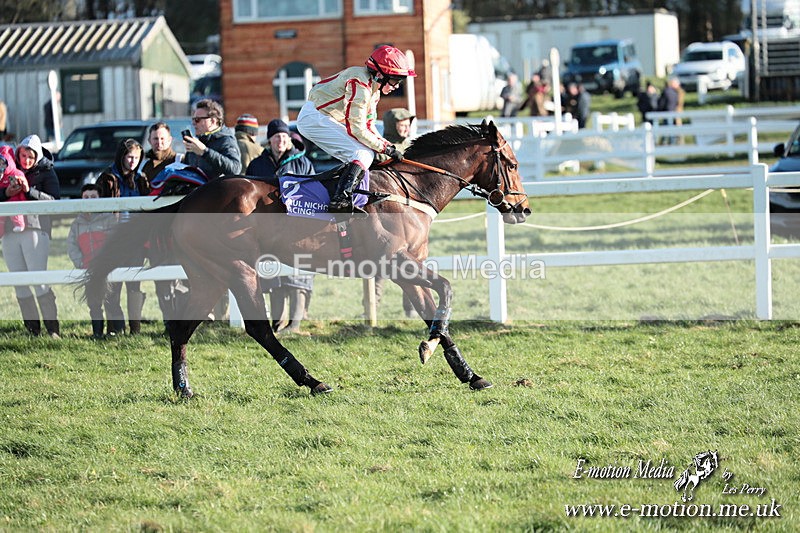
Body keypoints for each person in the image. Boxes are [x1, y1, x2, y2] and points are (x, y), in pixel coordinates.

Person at [296, 45, 414, 214]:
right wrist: (385, 148)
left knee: (366, 154)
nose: (396, 86)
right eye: (395, 80)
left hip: (323, 117)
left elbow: (369, 126)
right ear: (380, 75)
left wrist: (389, 147)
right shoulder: (360, 83)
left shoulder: (374, 91)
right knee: (362, 154)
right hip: (313, 118)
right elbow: (357, 129)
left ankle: (349, 197)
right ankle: (340, 201)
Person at [246, 118, 316, 334]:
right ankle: (278, 323)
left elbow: (313, 191)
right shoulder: (258, 164)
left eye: (284, 137)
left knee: (298, 273)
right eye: (276, 137)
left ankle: (295, 323)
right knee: (273, 275)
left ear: (289, 139)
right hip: (268, 228)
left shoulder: (302, 162)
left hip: (296, 226)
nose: (280, 141)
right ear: (270, 140)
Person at [1, 134, 61, 337]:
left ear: (37, 156)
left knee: (39, 280)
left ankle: (53, 330)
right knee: (19, 282)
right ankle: (33, 330)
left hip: (36, 230)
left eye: (30, 156)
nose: (25, 160)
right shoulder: (8, 169)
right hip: (9, 231)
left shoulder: (47, 172)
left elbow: (54, 202)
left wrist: (29, 191)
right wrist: (6, 194)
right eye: (23, 155)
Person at [96, 138, 149, 334]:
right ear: (121, 156)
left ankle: (135, 327)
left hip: (135, 238)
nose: (133, 161)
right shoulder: (107, 178)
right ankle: (115, 328)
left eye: (136, 157)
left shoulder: (141, 179)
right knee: (113, 284)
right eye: (129, 156)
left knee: (134, 283)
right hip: (113, 237)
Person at [140, 122, 190, 327]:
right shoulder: (143, 166)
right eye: (155, 139)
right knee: (160, 278)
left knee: (182, 274)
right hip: (154, 230)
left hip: (176, 229)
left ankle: (184, 318)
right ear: (150, 141)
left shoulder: (180, 161)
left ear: (170, 140)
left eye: (162, 138)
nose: (158, 142)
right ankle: (168, 319)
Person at [369, 108, 416, 317]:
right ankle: (372, 307)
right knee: (382, 261)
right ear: (391, 125)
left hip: (411, 214)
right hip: (386, 213)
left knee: (412, 260)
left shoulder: (414, 148)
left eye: (408, 124)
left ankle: (410, 308)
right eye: (402, 124)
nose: (406, 127)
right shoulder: (380, 147)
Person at [67, 184, 125, 339]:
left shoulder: (109, 219)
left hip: (107, 268)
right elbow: (71, 245)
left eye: (93, 197)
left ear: (100, 199)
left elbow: (116, 242)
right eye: (86, 197)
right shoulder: (77, 224)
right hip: (89, 268)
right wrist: (80, 262)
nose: (89, 200)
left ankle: (118, 332)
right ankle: (97, 333)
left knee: (112, 301)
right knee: (94, 302)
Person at [183, 99, 242, 178]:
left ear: (213, 121)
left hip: (217, 189)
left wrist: (205, 152)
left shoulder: (226, 140)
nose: (193, 123)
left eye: (197, 120)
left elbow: (235, 169)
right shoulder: (197, 141)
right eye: (193, 119)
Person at [0, 145, 29, 235]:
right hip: (3, 201)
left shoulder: (16, 172)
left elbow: (23, 186)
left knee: (15, 207)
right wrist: (6, 192)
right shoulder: (1, 174)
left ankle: (19, 224)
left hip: (16, 197)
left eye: (3, 163)